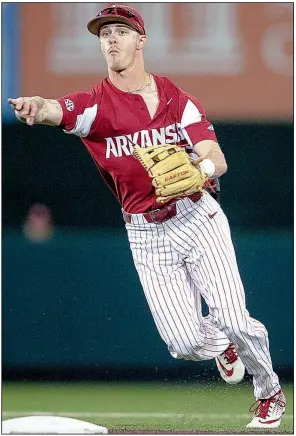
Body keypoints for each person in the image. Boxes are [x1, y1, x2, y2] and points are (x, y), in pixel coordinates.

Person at [8, 5, 285, 429]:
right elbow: (55, 108)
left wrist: (201, 171)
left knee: (233, 314)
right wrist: (35, 106)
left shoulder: (178, 101)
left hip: (198, 217)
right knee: (184, 342)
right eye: (104, 34)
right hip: (145, 232)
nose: (111, 40)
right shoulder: (96, 108)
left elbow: (216, 157)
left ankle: (269, 393)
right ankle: (223, 346)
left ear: (141, 40)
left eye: (120, 31)